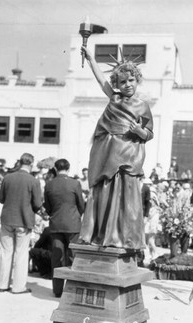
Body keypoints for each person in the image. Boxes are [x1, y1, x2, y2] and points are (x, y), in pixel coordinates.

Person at [78, 45, 154, 249]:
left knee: (125, 196)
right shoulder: (115, 98)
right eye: (122, 81)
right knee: (104, 193)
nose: (127, 84)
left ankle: (123, 237)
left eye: (131, 80)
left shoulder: (143, 106)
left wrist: (139, 131)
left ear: (137, 79)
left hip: (128, 155)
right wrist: (92, 59)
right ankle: (101, 234)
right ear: (117, 84)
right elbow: (101, 80)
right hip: (107, 153)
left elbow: (149, 134)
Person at [0, 153, 43, 294]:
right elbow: (37, 203)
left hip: (7, 219)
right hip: (24, 220)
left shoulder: (7, 177)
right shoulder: (33, 181)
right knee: (21, 254)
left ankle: (2, 284)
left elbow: (1, 199)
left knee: (6, 253)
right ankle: (18, 287)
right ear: (31, 164)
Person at [44, 158, 85, 297]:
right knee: (74, 257)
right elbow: (81, 204)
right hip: (73, 224)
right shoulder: (75, 183)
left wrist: (54, 214)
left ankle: (57, 290)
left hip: (56, 223)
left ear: (55, 168)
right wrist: (76, 215)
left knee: (57, 257)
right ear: (68, 168)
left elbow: (48, 206)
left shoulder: (49, 185)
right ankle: (73, 290)